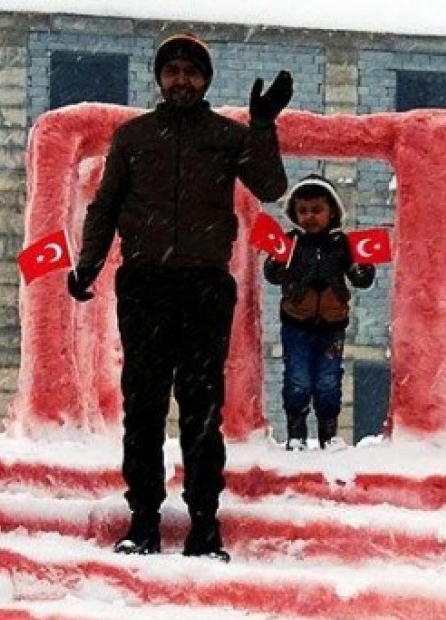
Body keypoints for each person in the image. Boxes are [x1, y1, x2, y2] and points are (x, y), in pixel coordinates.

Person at [66, 34, 291, 559]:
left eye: (192, 71)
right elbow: (105, 206)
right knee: (143, 408)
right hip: (145, 285)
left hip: (205, 287)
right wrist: (89, 263)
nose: (182, 79)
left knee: (202, 408)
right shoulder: (134, 137)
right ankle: (143, 519)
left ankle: (203, 524)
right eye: (173, 71)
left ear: (206, 80)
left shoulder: (226, 136)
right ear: (159, 79)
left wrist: (262, 127)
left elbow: (271, 186)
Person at [263, 174, 376, 450]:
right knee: (297, 380)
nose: (309, 217)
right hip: (296, 324)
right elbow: (272, 274)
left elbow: (362, 279)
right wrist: (277, 264)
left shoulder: (343, 245)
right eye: (303, 211)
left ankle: (329, 435)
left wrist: (363, 267)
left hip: (332, 327)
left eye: (316, 210)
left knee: (328, 382)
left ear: (332, 212)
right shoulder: (290, 243)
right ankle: (296, 435)